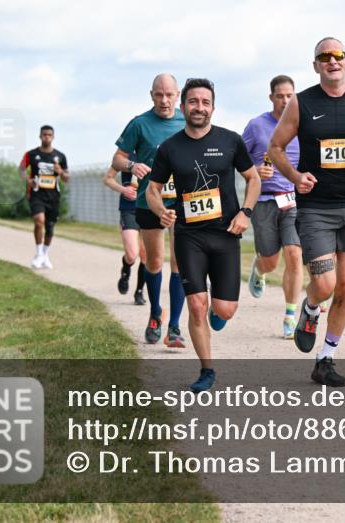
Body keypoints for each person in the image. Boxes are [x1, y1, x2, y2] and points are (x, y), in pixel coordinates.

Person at [269, 37, 345, 387]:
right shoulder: (301, 103)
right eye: (324, 57)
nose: (332, 61)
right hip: (317, 209)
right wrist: (295, 176)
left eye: (338, 55)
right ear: (316, 65)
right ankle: (309, 308)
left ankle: (325, 359)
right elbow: (275, 148)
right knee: (325, 284)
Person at [146, 78, 260, 392]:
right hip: (188, 236)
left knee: (224, 310)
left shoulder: (231, 141)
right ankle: (206, 370)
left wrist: (245, 212)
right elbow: (153, 190)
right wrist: (161, 211)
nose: (199, 107)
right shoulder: (169, 148)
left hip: (225, 234)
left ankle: (216, 310)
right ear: (183, 107)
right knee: (195, 305)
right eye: (193, 102)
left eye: (205, 102)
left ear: (213, 107)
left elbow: (253, 179)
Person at [112, 73, 187, 348]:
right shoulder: (139, 124)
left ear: (177, 95)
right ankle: (156, 313)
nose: (164, 100)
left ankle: (175, 326)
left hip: (181, 204)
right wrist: (133, 166)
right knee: (154, 263)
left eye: (169, 94)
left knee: (180, 264)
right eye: (159, 94)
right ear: (151, 95)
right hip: (148, 203)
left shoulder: (187, 121)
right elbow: (118, 159)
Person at [242, 75, 304, 338]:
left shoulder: (302, 126)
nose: (285, 100)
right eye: (280, 96)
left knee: (294, 253)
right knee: (271, 260)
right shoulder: (256, 126)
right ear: (272, 98)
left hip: (292, 199)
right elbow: (238, 161)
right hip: (265, 201)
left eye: (290, 95)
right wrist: (255, 170)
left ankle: (291, 314)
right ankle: (260, 267)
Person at [20, 125, 70, 269]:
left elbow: (67, 178)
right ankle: (39, 254)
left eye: (49, 135)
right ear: (40, 136)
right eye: (44, 135)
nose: (46, 137)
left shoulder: (60, 156)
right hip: (37, 193)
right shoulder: (31, 154)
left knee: (50, 227)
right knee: (39, 221)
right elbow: (21, 169)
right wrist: (28, 180)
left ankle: (45, 254)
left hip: (53, 196)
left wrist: (60, 171)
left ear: (53, 137)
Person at [103, 161, 148, 305]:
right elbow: (107, 178)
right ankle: (126, 269)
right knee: (132, 254)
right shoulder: (125, 157)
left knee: (146, 256)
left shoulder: (154, 151)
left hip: (149, 208)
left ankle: (139, 291)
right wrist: (123, 189)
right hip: (129, 209)